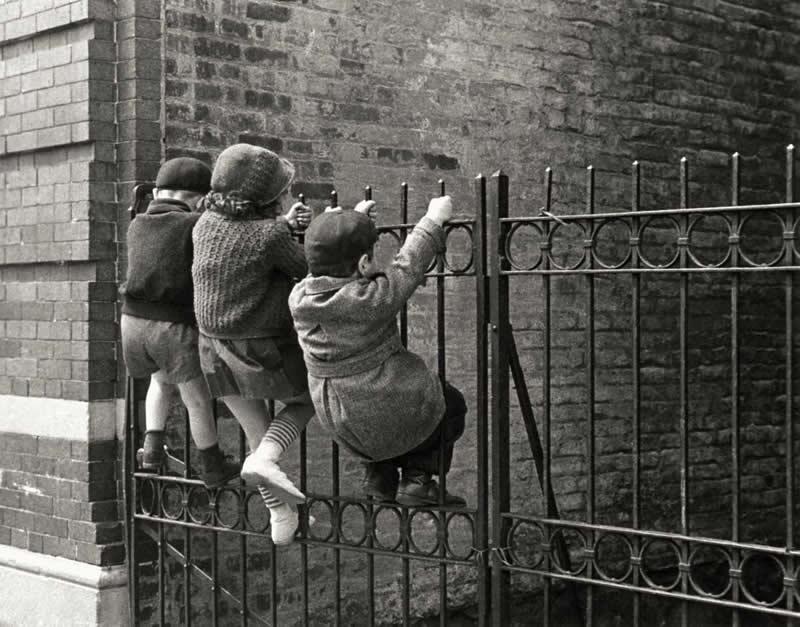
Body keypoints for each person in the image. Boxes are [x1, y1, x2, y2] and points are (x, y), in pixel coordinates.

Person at [289, 195, 467, 507]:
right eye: (370, 258)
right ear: (362, 264)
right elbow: (407, 267)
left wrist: (352, 221)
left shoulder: (299, 297)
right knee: (450, 405)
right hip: (384, 403)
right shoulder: (369, 299)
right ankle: (418, 482)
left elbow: (324, 267)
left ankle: (380, 480)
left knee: (374, 424)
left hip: (337, 416)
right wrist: (433, 220)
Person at [192, 143, 314, 545]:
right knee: (311, 397)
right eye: (283, 190)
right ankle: (266, 462)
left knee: (259, 435)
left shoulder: (204, 223)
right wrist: (306, 228)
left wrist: (283, 223)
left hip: (214, 350)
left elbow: (245, 234)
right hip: (259, 348)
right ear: (266, 195)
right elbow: (306, 267)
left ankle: (282, 518)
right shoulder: (268, 236)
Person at [121, 157, 239, 489]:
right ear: (202, 200)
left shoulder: (137, 224)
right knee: (196, 397)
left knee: (160, 381)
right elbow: (228, 241)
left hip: (132, 322)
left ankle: (152, 450)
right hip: (172, 327)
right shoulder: (195, 224)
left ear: (157, 191)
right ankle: (213, 465)